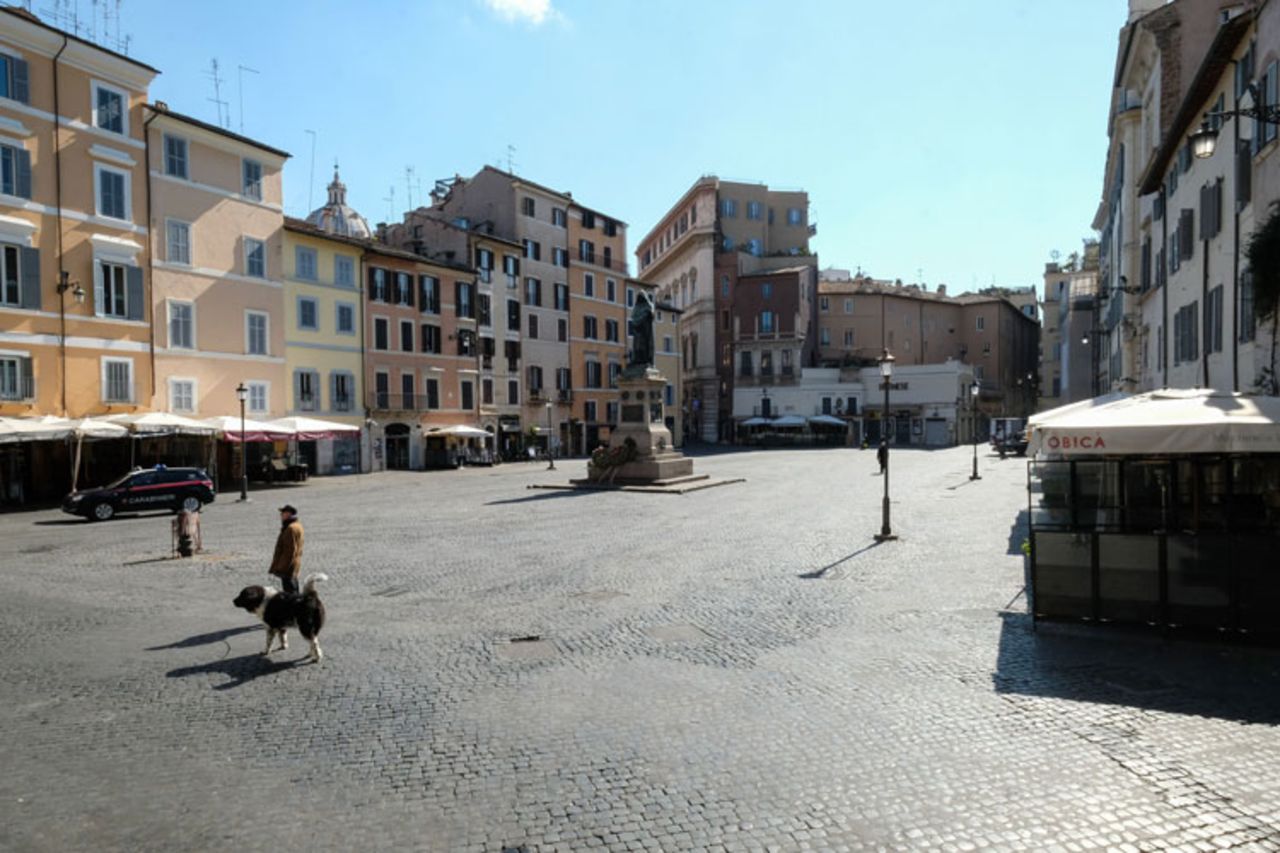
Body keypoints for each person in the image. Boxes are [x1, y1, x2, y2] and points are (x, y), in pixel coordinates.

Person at [269, 504, 305, 594]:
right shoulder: (297, 525)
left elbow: (290, 551)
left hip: (288, 567)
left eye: (283, 513)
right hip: (294, 564)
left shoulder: (290, 528)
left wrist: (281, 567)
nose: (281, 516)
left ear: (288, 514)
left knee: (290, 592)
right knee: (294, 589)